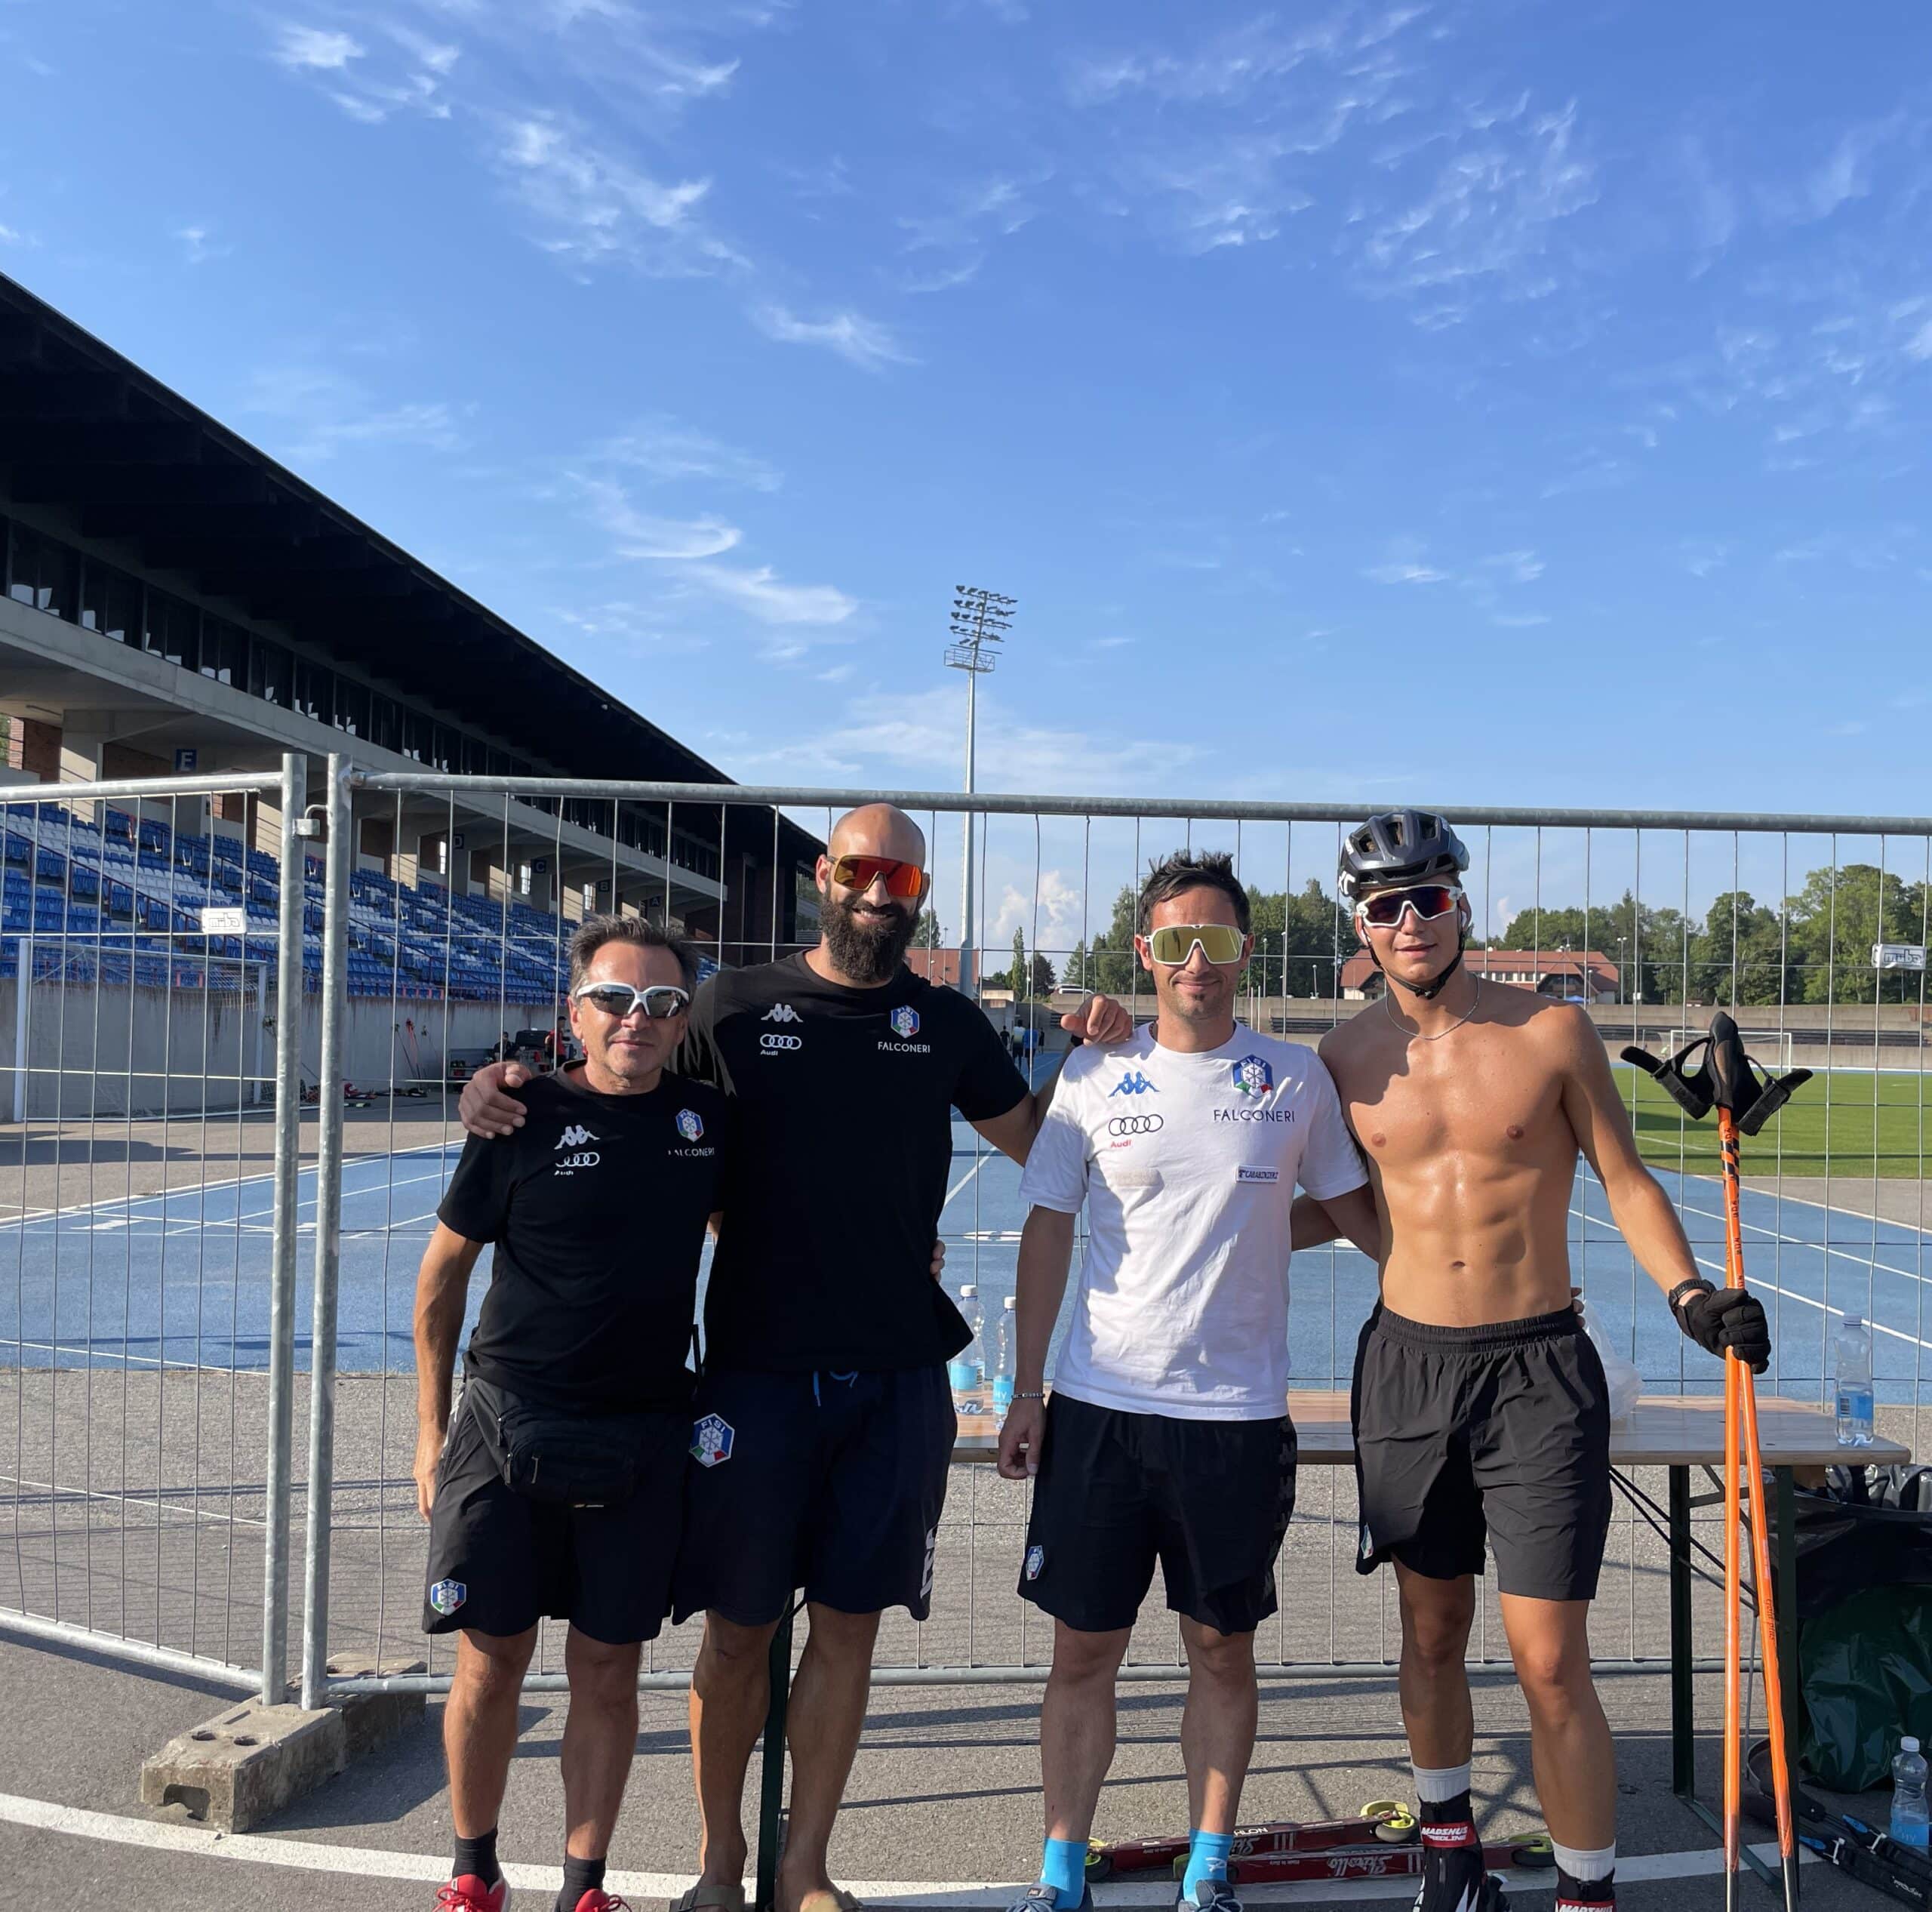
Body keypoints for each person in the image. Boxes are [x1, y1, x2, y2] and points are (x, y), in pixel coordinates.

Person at [457, 803, 1131, 1912]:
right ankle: (720, 1863)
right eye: (862, 868)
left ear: (919, 894)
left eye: (902, 879)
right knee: (737, 1630)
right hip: (756, 1372)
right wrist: (510, 1079)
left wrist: (1101, 1049)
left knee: (850, 1630)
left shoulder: (947, 1019)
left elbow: (1037, 1140)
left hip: (896, 1374)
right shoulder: (732, 1002)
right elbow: (638, 1093)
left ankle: (803, 1865)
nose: (880, 892)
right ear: (826, 875)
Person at [1312, 811, 1772, 1912]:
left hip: (1538, 1368)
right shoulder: (1342, 1057)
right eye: (1386, 904)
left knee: (1551, 1657)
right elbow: (1323, 1207)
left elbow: (1623, 1178)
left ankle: (1585, 1891)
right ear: (1362, 929)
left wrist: (1690, 1292)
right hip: (1409, 1366)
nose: (1411, 919)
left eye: (1430, 895)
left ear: (1463, 904)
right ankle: (1449, 1854)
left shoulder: (1552, 1032)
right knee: (1431, 1629)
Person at [996, 851, 1380, 1912]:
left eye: (1215, 940)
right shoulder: (1090, 1074)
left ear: (1243, 949)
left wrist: (1478, 1271)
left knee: (1221, 1650)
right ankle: (1060, 1873)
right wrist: (1027, 1389)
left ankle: (1208, 1869)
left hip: (1234, 1420)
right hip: (1100, 1409)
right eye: (1175, 942)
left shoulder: (1293, 1079)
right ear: (1145, 953)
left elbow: (1354, 1215)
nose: (1196, 961)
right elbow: (1049, 1230)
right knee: (1084, 1652)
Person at [415, 916, 727, 1912]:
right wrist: (429, 1433)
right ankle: (473, 1869)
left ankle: (584, 1887)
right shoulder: (519, 1116)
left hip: (642, 1433)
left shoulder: (706, 1125)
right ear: (575, 1010)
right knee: (491, 1658)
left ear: (682, 1021)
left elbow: (768, 1229)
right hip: (507, 1423)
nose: (637, 1018)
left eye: (661, 1003)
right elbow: (439, 1283)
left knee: (607, 1670)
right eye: (615, 998)